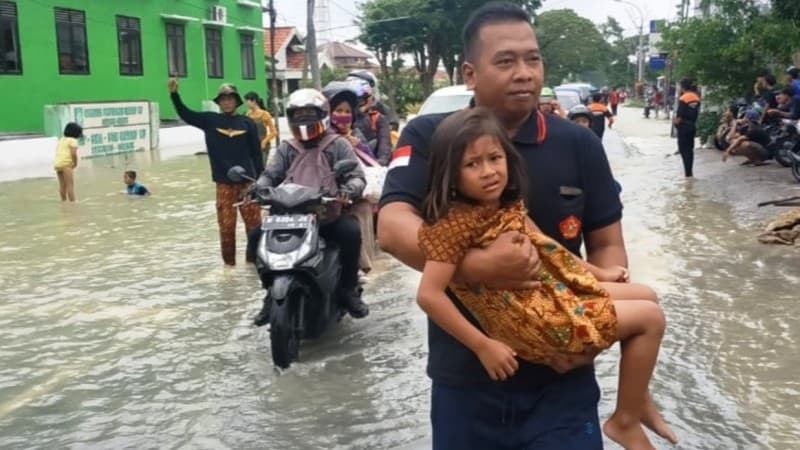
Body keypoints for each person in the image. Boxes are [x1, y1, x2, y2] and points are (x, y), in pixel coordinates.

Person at [379, 3, 647, 448]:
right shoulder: (432, 137)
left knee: (648, 305)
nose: (524, 72)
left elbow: (607, 246)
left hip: (563, 381)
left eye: (533, 58)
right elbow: (391, 229)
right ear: (470, 73)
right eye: (505, 61)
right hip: (467, 378)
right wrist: (475, 266)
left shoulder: (578, 143)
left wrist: (591, 336)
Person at [417, 107, 674, 450]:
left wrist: (599, 273)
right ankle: (624, 421)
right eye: (472, 164)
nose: (488, 171)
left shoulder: (507, 206)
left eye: (494, 158)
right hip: (531, 320)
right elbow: (429, 295)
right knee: (650, 319)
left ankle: (636, 398)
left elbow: (551, 249)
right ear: (451, 174)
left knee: (647, 295)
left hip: (549, 293)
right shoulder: (453, 226)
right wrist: (483, 345)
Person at [251, 88, 369, 325]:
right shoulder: (287, 147)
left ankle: (347, 290)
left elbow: (357, 177)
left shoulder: (338, 145)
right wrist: (257, 187)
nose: (303, 119)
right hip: (289, 215)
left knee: (351, 232)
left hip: (327, 216)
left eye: (309, 114)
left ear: (322, 114)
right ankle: (268, 293)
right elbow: (270, 174)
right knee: (255, 236)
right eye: (298, 114)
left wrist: (348, 190)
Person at [169, 79, 263, 265]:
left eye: (230, 98)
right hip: (224, 185)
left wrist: (261, 181)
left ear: (237, 101)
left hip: (248, 185)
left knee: (254, 228)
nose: (227, 102)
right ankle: (229, 269)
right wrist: (174, 95)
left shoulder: (248, 123)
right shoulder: (209, 120)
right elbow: (185, 113)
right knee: (226, 230)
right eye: (223, 99)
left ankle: (253, 266)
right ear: (219, 102)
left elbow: (257, 153)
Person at [322, 81, 379, 278]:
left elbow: (366, 166)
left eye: (347, 111)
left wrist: (359, 147)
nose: (344, 115)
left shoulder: (356, 136)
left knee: (360, 213)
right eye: (338, 110)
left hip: (350, 196)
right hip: (320, 198)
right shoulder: (317, 138)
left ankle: (359, 271)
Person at [350, 77, 393, 166]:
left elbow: (384, 148)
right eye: (356, 98)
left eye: (364, 97)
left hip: (372, 167)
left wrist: (379, 164)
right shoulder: (342, 119)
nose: (360, 101)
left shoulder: (378, 118)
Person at [673, 78, 701, 178]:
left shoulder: (683, 98)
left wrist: (676, 125)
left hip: (684, 126)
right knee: (690, 149)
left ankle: (687, 174)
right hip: (692, 126)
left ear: (682, 87)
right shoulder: (696, 97)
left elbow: (679, 115)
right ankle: (690, 172)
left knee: (683, 149)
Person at [244, 91, 278, 165]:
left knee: (261, 167)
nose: (246, 104)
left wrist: (264, 141)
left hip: (263, 147)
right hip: (251, 146)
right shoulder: (248, 114)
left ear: (254, 101)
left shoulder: (265, 114)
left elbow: (274, 132)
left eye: (247, 101)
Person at [54, 122, 82, 202]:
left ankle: (63, 201)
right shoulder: (73, 140)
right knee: (70, 185)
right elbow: (73, 154)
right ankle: (73, 203)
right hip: (66, 164)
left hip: (58, 164)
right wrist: (75, 163)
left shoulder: (62, 139)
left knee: (62, 185)